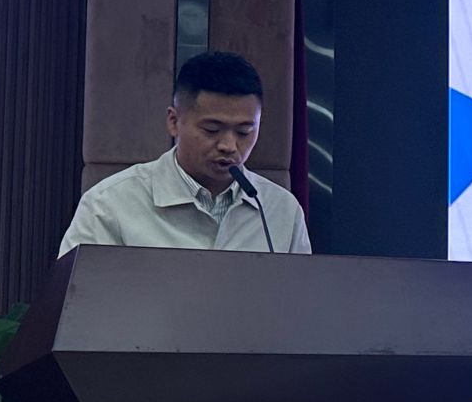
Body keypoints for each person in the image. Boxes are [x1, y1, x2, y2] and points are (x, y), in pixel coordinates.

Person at [58, 51, 311, 255]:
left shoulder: (281, 210)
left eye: (244, 132)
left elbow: (300, 299)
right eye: (212, 130)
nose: (229, 146)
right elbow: (77, 298)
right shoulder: (109, 204)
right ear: (174, 121)